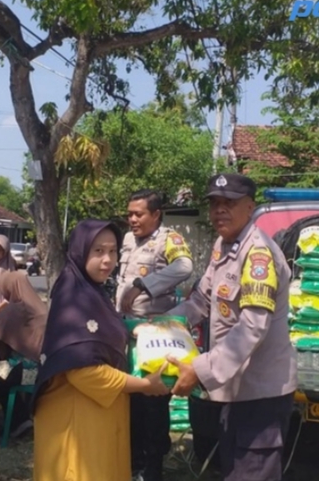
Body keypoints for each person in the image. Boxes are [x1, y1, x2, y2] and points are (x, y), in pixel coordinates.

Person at [165, 173, 297, 481]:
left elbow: (253, 326)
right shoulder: (224, 246)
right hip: (233, 390)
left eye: (230, 203)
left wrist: (199, 370)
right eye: (214, 204)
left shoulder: (258, 255)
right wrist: (160, 325)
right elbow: (200, 300)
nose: (220, 210)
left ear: (250, 207)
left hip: (261, 396)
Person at [33, 219, 170, 481]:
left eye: (112, 251)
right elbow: (84, 372)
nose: (107, 260)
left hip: (97, 415)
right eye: (98, 251)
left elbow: (102, 328)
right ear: (80, 251)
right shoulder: (73, 295)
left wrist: (132, 328)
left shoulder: (90, 289)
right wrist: (143, 385)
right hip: (76, 421)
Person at [115, 189, 193, 481]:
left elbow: (185, 267)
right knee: (131, 399)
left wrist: (144, 284)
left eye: (138, 214)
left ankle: (153, 467)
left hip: (153, 335)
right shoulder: (126, 239)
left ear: (156, 214)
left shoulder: (169, 239)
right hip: (125, 331)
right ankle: (134, 463)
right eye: (129, 214)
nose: (132, 219)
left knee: (152, 401)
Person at [0, 269, 49, 444]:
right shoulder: (39, 305)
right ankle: (19, 421)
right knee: (0, 372)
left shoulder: (16, 308)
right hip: (42, 369)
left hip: (25, 371)